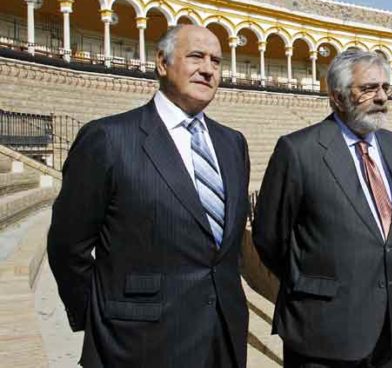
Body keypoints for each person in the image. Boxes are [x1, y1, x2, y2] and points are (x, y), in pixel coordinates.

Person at [48, 25, 250, 368]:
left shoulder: (233, 144)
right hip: (136, 345)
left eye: (216, 61)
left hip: (223, 337)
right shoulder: (108, 139)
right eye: (196, 57)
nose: (208, 69)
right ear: (161, 63)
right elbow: (68, 246)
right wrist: (101, 321)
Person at [253, 49, 392, 367]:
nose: (381, 97)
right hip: (322, 331)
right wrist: (316, 285)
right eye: (368, 88)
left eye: (385, 88)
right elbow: (269, 238)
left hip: (389, 328)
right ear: (338, 97)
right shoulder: (298, 151)